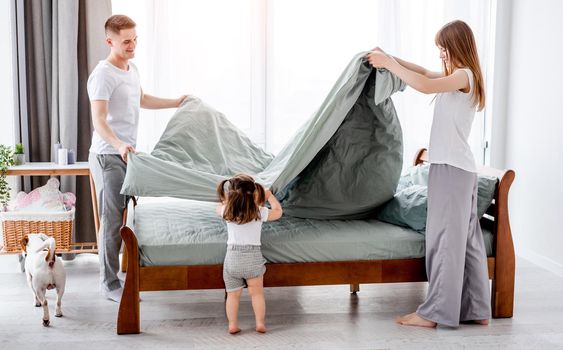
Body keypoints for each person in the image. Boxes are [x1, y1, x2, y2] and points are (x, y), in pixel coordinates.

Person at [368, 20, 490, 328]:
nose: (441, 57)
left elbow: (423, 85)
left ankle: (434, 313)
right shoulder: (460, 77)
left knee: (445, 240)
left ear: (456, 48)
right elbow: (422, 73)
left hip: (451, 170)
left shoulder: (464, 76)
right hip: (459, 169)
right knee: (467, 241)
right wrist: (389, 57)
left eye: (444, 50)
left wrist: (389, 64)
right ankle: (476, 309)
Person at [87, 15, 187, 302]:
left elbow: (141, 99)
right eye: (126, 41)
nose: (133, 46)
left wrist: (176, 102)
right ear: (110, 41)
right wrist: (119, 144)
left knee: (126, 217)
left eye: (135, 39)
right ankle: (108, 284)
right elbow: (99, 120)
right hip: (108, 156)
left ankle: (119, 275)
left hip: (127, 155)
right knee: (111, 221)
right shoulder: (103, 74)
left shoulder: (132, 69)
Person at [216, 174, 283, 334]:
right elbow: (278, 212)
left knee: (233, 296)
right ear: (254, 193)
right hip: (252, 259)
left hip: (232, 259)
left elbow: (218, 207)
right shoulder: (259, 211)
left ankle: (232, 324)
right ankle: (260, 323)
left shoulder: (227, 211)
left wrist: (228, 200)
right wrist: (269, 196)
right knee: (257, 294)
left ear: (230, 194)